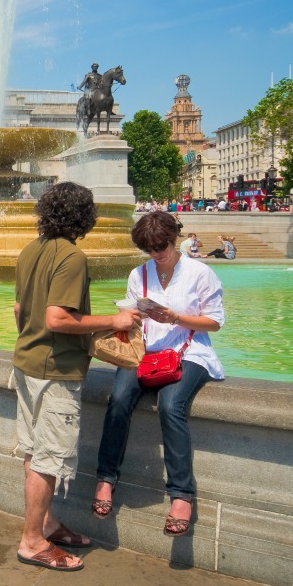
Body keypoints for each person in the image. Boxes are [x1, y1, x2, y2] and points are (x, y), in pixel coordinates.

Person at [10, 182, 140, 572]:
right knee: (50, 459)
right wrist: (114, 320)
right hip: (56, 370)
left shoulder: (29, 250)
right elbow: (58, 318)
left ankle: (45, 523)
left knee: (34, 451)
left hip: (26, 363)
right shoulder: (72, 256)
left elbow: (20, 311)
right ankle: (32, 542)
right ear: (84, 217)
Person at [93, 211, 225, 538]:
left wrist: (176, 317)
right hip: (147, 352)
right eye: (150, 248)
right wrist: (131, 316)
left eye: (162, 245)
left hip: (189, 351)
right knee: (119, 398)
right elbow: (132, 316)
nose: (157, 253)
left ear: (174, 237)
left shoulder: (200, 273)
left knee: (171, 405)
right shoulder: (140, 274)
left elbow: (215, 322)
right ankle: (106, 478)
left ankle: (181, 495)